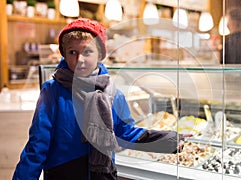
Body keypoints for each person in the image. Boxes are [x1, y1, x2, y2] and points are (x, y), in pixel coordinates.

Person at [13, 18, 189, 180]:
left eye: (87, 51)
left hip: (102, 175)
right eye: (73, 52)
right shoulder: (52, 91)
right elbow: (37, 144)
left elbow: (125, 133)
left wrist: (170, 141)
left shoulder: (113, 93)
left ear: (100, 54)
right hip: (63, 173)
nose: (80, 59)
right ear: (64, 55)